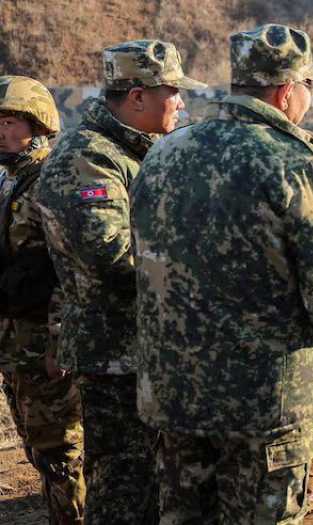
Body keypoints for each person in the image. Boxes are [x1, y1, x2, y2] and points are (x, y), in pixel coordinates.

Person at [129, 24, 313, 523]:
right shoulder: (297, 162)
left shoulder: (164, 152)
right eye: (310, 88)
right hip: (265, 404)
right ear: (286, 91)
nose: (311, 99)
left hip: (175, 396)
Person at [37, 40, 206, 525]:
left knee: (162, 486)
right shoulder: (86, 156)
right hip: (117, 357)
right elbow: (109, 251)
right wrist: (203, 268)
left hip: (152, 349)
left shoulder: (140, 149)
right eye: (172, 93)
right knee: (125, 492)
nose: (181, 103)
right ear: (137, 97)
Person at [0, 76, 85, 524]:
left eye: (9, 121)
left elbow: (69, 271)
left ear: (37, 124)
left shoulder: (52, 181)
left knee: (61, 454)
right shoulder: (10, 180)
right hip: (16, 346)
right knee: (38, 449)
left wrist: (59, 342)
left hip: (45, 348)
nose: (0, 131)